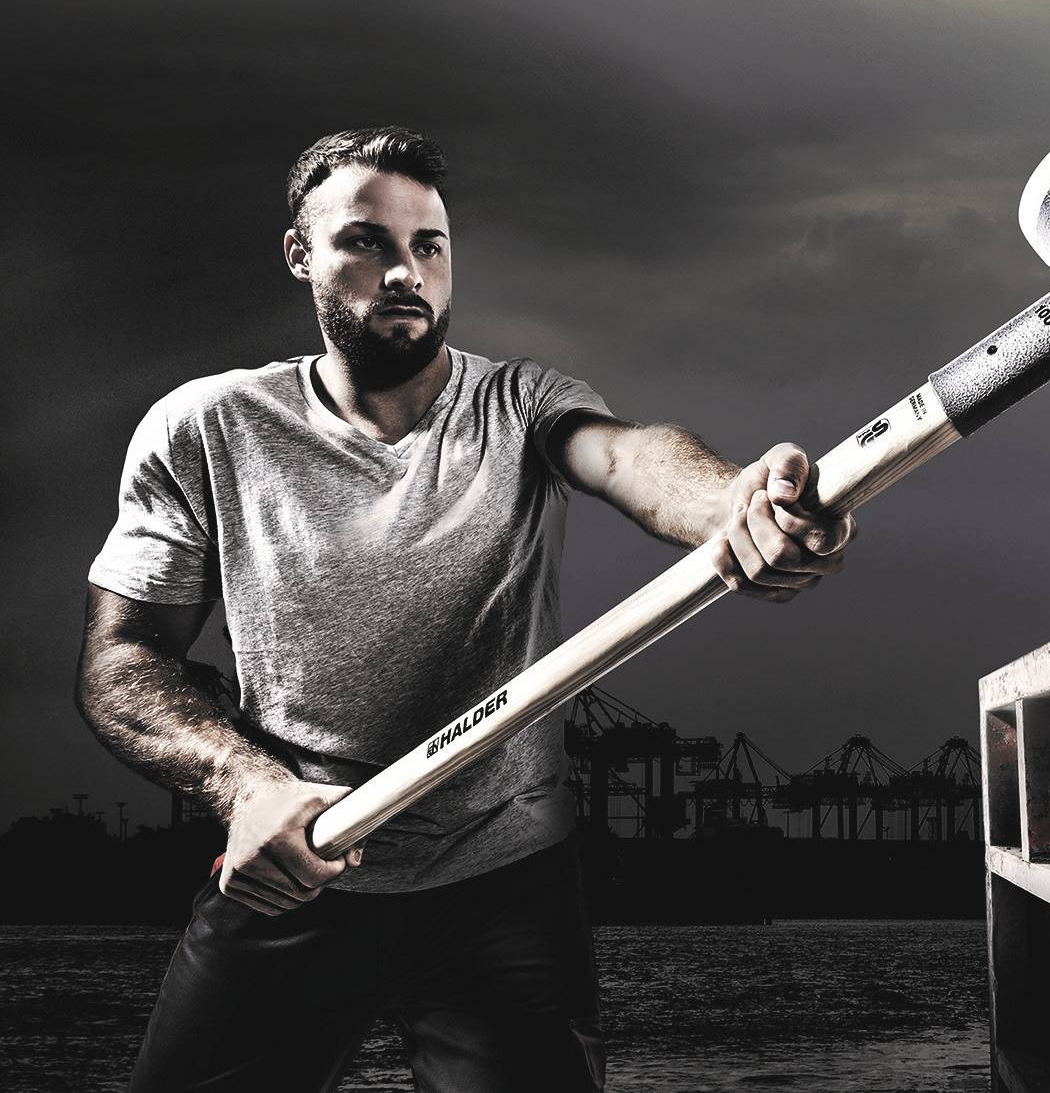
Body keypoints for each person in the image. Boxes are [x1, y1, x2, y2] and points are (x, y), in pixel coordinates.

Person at [77, 125, 854, 1092]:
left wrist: (733, 502)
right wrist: (244, 786)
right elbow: (122, 660)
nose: (405, 271)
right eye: (366, 241)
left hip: (505, 891)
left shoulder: (521, 404)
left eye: (428, 246)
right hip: (296, 869)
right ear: (300, 255)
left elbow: (628, 456)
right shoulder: (206, 426)